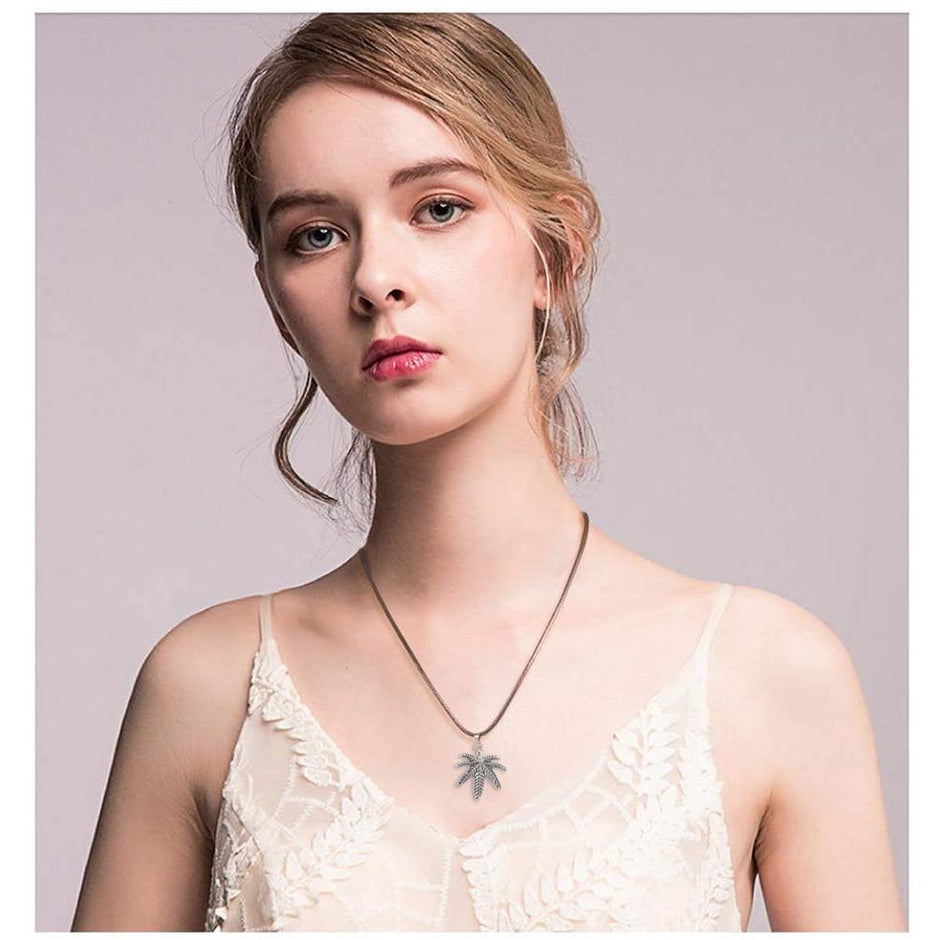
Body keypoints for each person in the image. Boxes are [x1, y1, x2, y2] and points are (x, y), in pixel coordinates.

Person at [70, 13, 905, 932]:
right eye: (316, 235)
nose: (375, 278)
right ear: (277, 304)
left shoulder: (768, 674)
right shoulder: (206, 689)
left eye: (438, 208)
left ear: (553, 254)